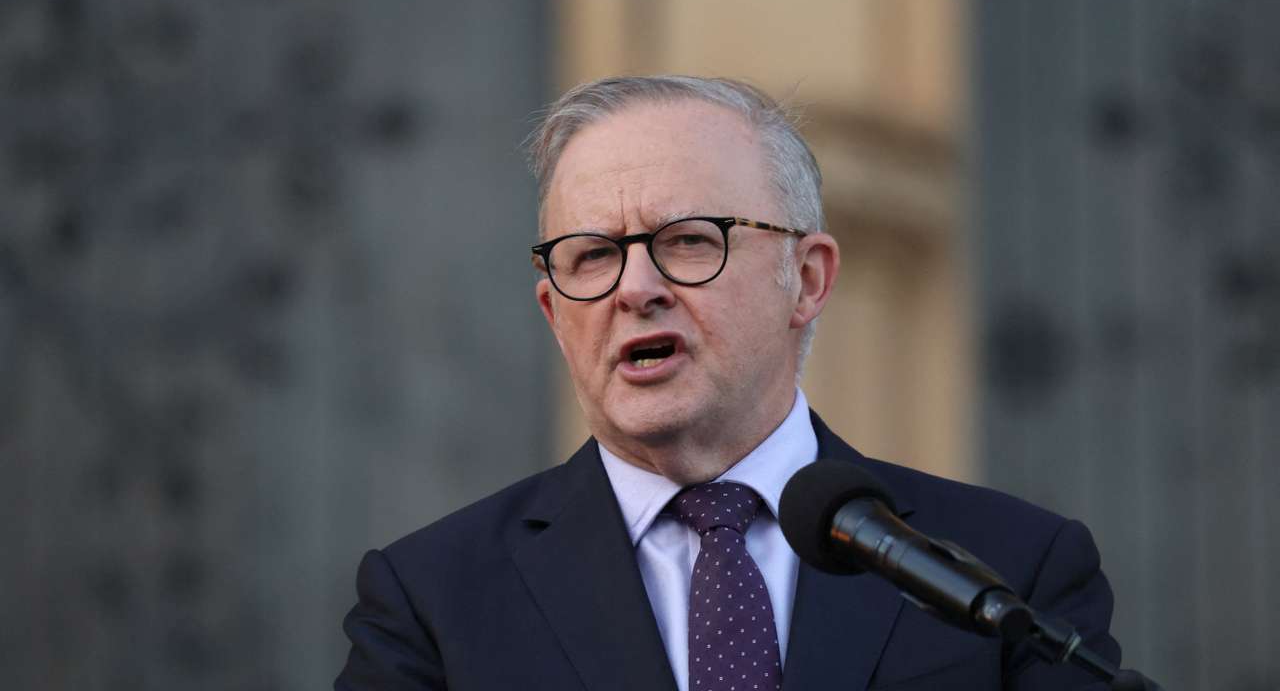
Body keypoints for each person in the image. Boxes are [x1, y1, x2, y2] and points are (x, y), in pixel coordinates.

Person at [335, 76, 1120, 690]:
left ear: (807, 280)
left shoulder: (1015, 568)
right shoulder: (432, 600)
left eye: (687, 240)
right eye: (593, 256)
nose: (634, 287)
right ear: (553, 311)